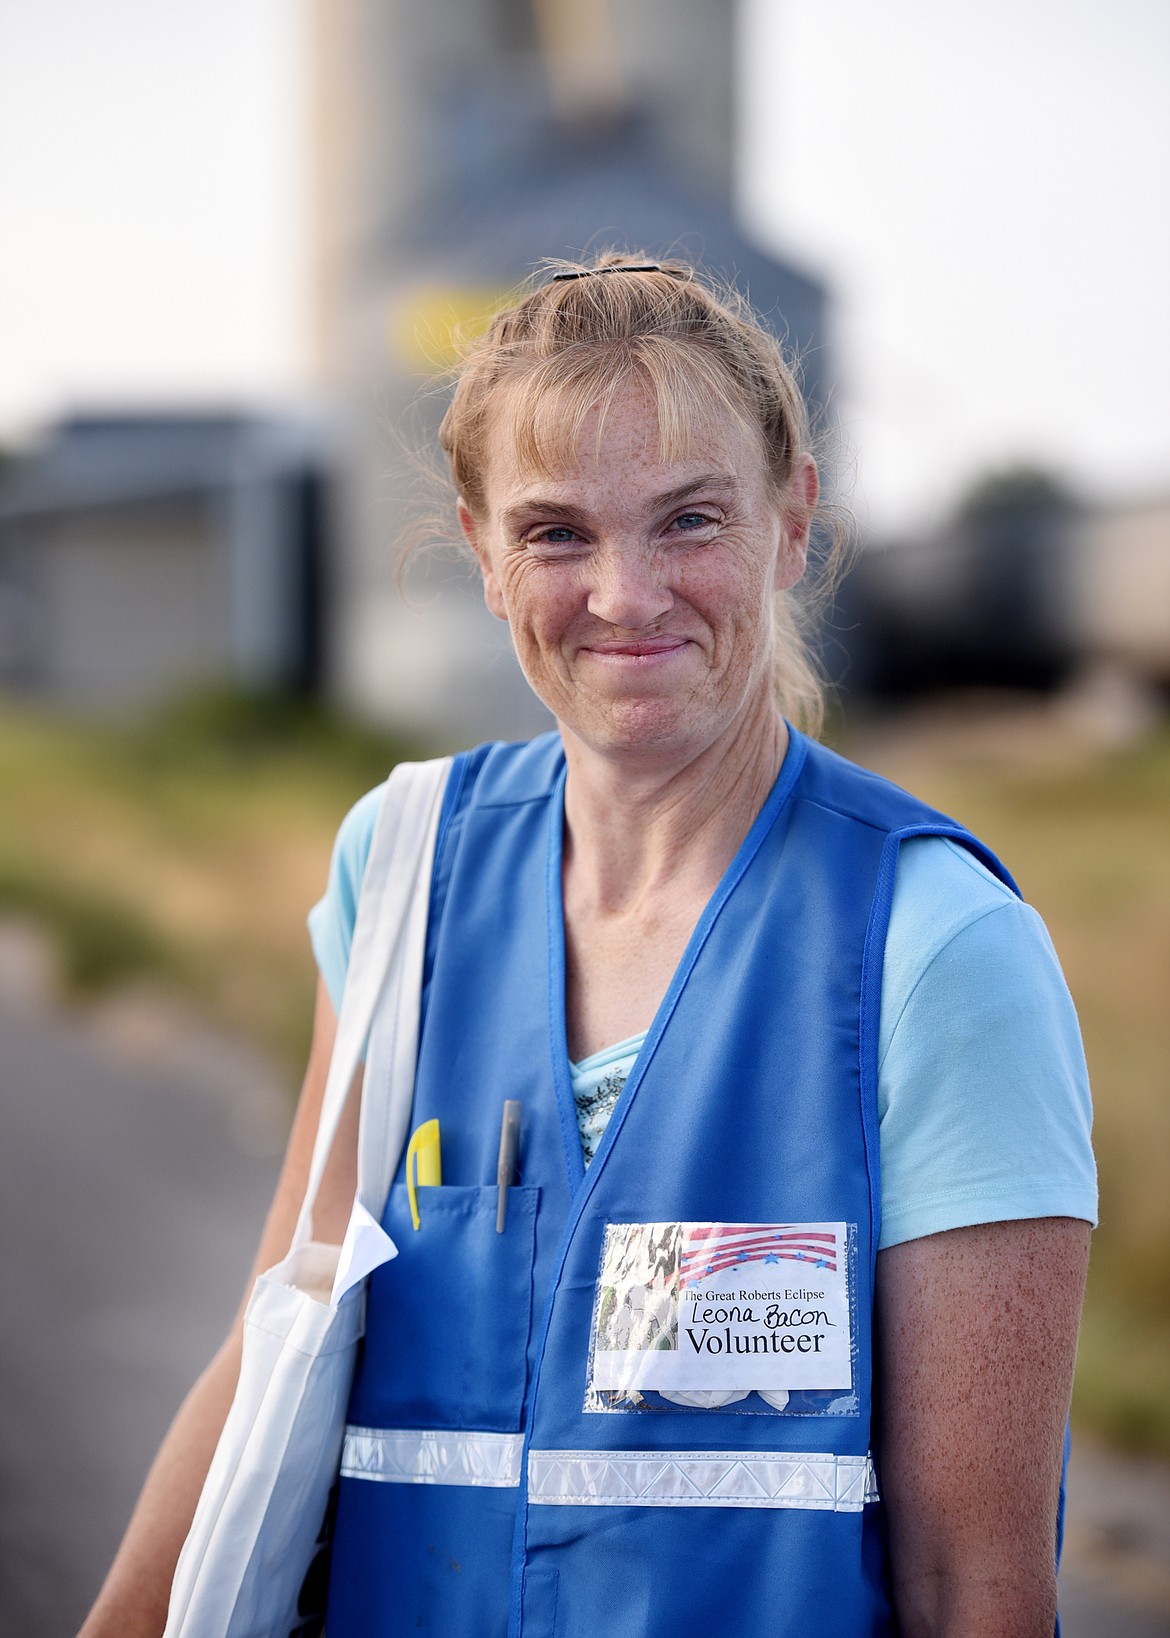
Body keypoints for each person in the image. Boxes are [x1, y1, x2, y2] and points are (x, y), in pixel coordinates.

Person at [81, 255, 1096, 1637]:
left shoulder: (936, 948)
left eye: (687, 519)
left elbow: (968, 1580)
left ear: (792, 523)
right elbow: (275, 1362)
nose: (625, 596)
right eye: (556, 533)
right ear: (482, 556)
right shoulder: (403, 872)